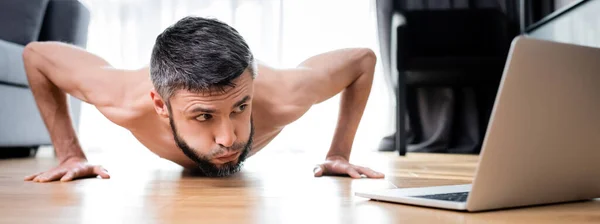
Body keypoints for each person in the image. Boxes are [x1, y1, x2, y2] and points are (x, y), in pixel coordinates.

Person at [22, 16, 384, 182]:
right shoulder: (120, 98)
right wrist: (70, 153)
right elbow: (36, 56)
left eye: (241, 108)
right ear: (161, 106)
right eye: (204, 116)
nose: (229, 139)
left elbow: (362, 61)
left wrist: (338, 153)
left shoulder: (286, 96)